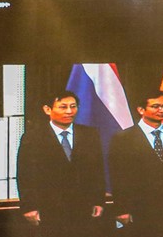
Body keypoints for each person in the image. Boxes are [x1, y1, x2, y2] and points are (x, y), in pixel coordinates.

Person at [16, 90, 106, 228]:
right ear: (47, 109)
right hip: (48, 209)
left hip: (85, 209)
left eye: (73, 106)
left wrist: (99, 201)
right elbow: (25, 174)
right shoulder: (33, 137)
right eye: (63, 107)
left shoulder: (90, 134)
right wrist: (29, 207)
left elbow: (98, 171)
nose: (69, 111)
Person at [109, 90, 163, 229]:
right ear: (141, 110)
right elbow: (118, 176)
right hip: (138, 209)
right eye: (155, 106)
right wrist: (121, 209)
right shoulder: (123, 138)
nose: (162, 110)